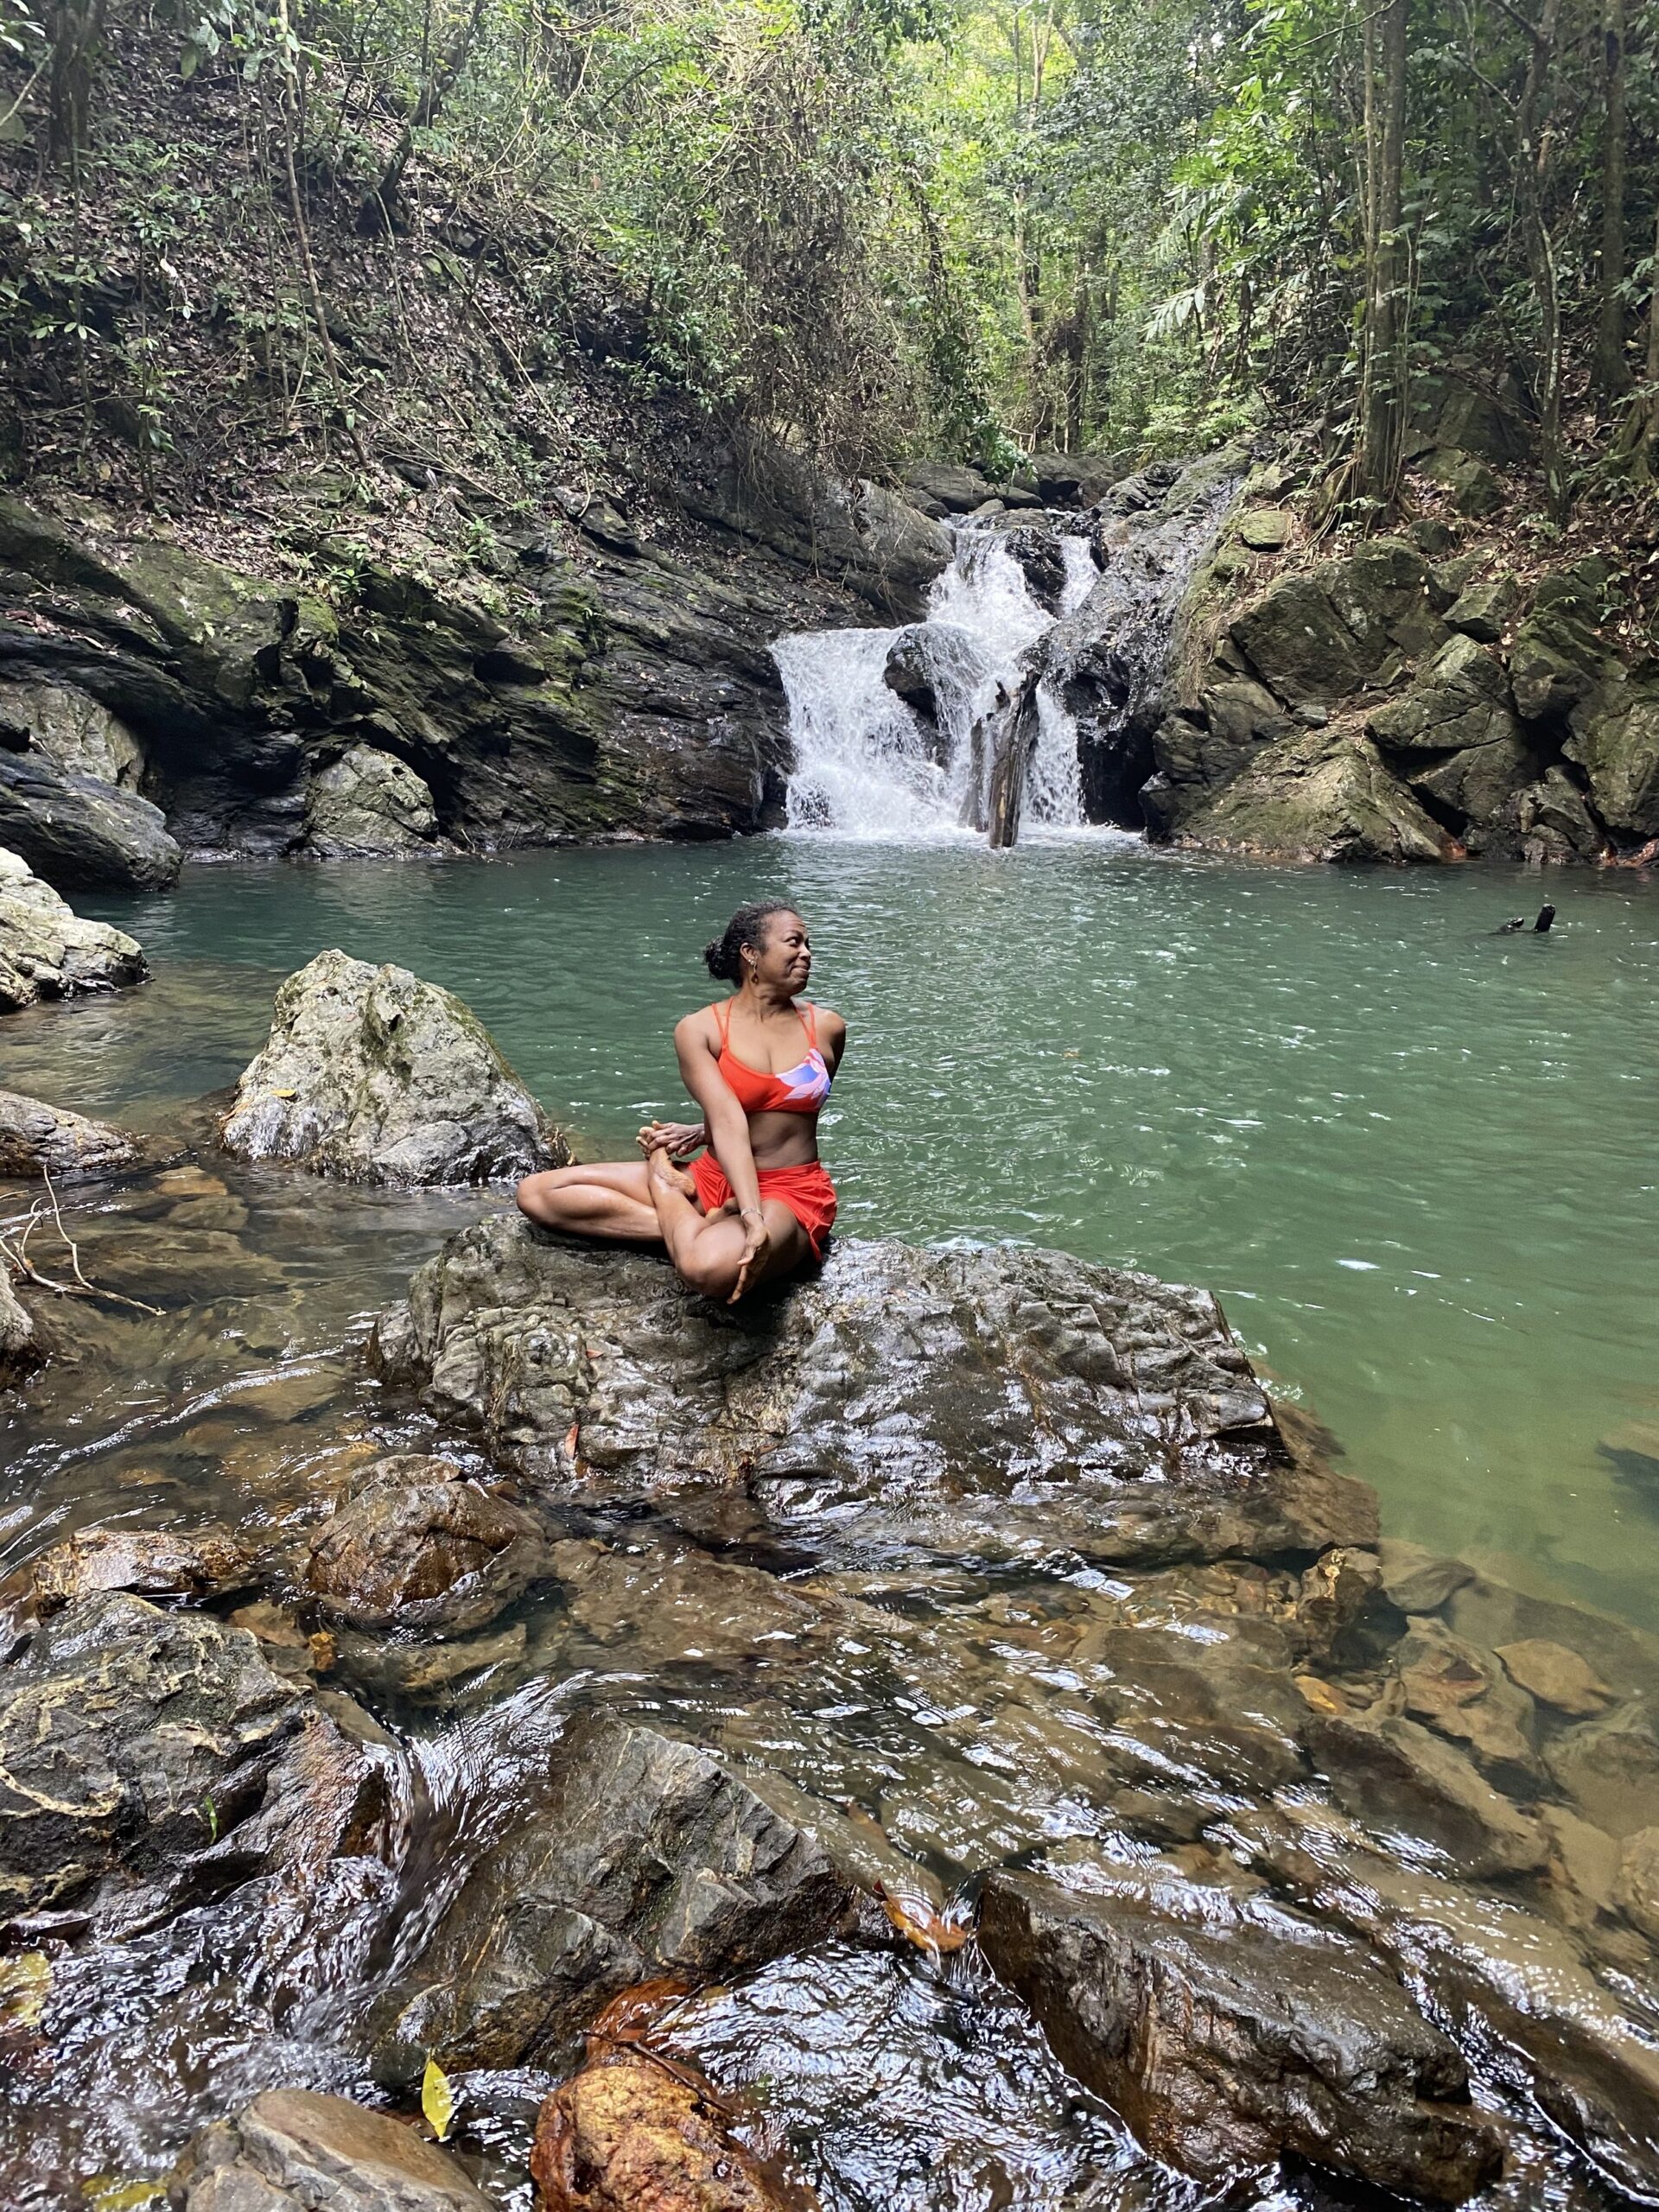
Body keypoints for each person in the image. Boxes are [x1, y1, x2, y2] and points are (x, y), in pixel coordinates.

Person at [515, 901, 846, 1304]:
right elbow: (727, 1118)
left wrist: (751, 1207)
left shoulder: (826, 1028)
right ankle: (684, 1210)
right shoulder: (701, 1030)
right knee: (537, 1193)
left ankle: (666, 1190)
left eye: (809, 944)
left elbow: (784, 1114)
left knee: (705, 1269)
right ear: (751, 954)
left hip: (789, 1189)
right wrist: (746, 1214)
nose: (807, 953)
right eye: (794, 942)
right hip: (712, 1177)